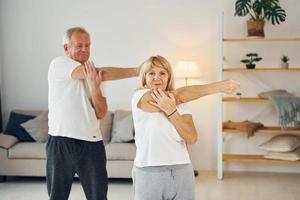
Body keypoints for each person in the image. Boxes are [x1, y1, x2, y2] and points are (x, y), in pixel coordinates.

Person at [47, 27, 140, 200]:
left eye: (87, 46)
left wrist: (95, 87)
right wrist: (137, 71)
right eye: (79, 45)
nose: (85, 50)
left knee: (98, 196)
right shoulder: (58, 64)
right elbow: (99, 73)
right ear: (66, 48)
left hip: (92, 144)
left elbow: (101, 113)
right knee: (57, 196)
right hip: (61, 141)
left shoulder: (95, 76)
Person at [131, 55, 239, 200]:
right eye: (151, 73)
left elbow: (191, 137)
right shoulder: (139, 97)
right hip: (149, 172)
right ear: (144, 78)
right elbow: (177, 96)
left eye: (162, 73)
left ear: (169, 77)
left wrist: (172, 112)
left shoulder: (182, 104)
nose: (157, 77)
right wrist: (217, 87)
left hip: (182, 170)